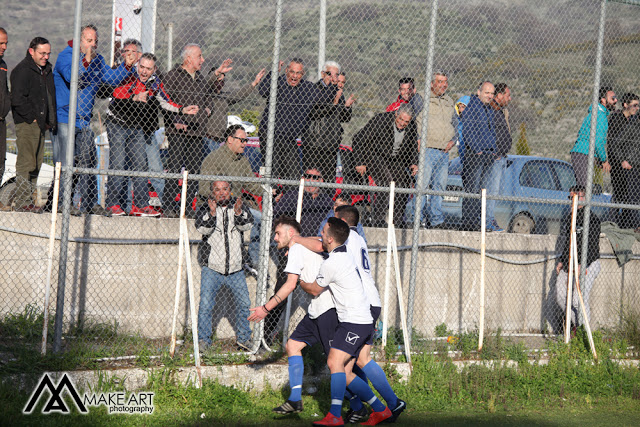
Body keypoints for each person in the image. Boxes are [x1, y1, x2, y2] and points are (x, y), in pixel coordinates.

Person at [292, 205, 406, 423]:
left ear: (340, 221)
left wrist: (296, 239)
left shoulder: (345, 240)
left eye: (332, 216)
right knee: (352, 362)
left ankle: (381, 405)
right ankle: (378, 406)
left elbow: (319, 245)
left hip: (361, 306)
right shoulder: (358, 238)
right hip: (368, 301)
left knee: (349, 362)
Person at [247, 217, 332, 417]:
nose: (275, 238)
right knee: (293, 346)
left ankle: (376, 404)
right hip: (317, 309)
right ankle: (295, 400)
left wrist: (265, 309)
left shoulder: (296, 248)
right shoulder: (302, 245)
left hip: (328, 309)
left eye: (278, 233)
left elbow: (289, 285)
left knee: (341, 363)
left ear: (290, 234)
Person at [51, 24, 134, 215]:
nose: (93, 45)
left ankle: (90, 203)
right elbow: (74, 77)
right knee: (67, 162)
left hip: (84, 120)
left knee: (88, 162)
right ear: (80, 40)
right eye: (89, 41)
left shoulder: (97, 60)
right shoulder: (67, 55)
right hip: (66, 118)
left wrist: (127, 66)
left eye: (95, 41)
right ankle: (63, 202)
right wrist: (86, 62)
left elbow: (112, 79)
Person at [105, 51, 198, 217]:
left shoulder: (155, 83)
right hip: (117, 123)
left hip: (137, 127)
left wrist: (182, 109)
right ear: (137, 65)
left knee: (140, 165)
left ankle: (141, 205)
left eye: (148, 68)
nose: (144, 72)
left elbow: (164, 100)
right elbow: (116, 93)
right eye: (141, 67)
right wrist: (134, 97)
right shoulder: (128, 76)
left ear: (154, 69)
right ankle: (112, 204)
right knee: (118, 164)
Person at [264, 167, 333, 341]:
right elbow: (278, 221)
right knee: (283, 288)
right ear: (303, 178)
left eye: (316, 178)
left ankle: (319, 337)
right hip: (293, 250)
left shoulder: (326, 201)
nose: (312, 181)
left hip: (316, 254)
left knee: (322, 292)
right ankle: (265, 333)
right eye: (308, 176)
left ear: (322, 181)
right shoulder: (292, 196)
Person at [196, 180, 254, 351]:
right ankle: (203, 341)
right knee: (206, 304)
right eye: (217, 190)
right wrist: (213, 214)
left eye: (225, 189)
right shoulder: (204, 208)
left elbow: (247, 225)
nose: (221, 193)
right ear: (212, 193)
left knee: (244, 303)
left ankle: (244, 338)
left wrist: (237, 213)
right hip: (212, 268)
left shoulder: (239, 206)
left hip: (236, 269)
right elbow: (202, 229)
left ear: (230, 190)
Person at [199, 124, 263, 269]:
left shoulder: (243, 161)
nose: (245, 144)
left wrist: (268, 191)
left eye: (246, 141)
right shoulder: (214, 159)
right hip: (217, 206)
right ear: (230, 139)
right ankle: (249, 260)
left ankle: (254, 261)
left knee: (261, 218)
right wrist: (223, 198)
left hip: (237, 206)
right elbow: (203, 189)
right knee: (256, 218)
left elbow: (251, 185)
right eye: (242, 140)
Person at [161, 43, 214, 218]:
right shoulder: (173, 76)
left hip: (197, 132)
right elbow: (164, 101)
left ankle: (188, 206)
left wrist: (208, 109)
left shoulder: (200, 78)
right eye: (200, 56)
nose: (202, 60)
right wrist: (175, 120)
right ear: (188, 58)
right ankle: (169, 206)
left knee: (193, 171)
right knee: (175, 167)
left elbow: (209, 100)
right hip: (178, 132)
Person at [257, 58, 332, 180]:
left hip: (289, 139)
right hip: (270, 135)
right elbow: (263, 91)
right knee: (272, 174)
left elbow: (323, 99)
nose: (294, 76)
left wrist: (332, 85)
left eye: (298, 73)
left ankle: (289, 197)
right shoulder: (278, 82)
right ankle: (270, 196)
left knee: (294, 176)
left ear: (302, 74)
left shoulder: (307, 88)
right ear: (286, 71)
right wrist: (273, 73)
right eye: (292, 72)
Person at [352, 103, 419, 227]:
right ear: (396, 115)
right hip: (375, 156)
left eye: (406, 121)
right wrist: (359, 162)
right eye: (400, 119)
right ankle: (378, 219)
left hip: (395, 159)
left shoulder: (412, 126)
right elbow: (358, 138)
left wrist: (414, 163)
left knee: (404, 182)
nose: (402, 123)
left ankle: (397, 220)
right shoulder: (381, 120)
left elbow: (413, 147)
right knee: (386, 181)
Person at [10, 37, 56, 213]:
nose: (46, 56)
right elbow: (17, 99)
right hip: (27, 123)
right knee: (26, 163)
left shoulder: (46, 70)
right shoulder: (22, 71)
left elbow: (49, 96)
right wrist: (33, 118)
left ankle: (30, 200)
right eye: (42, 53)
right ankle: (23, 201)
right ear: (32, 51)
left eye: (48, 53)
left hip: (41, 123)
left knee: (36, 164)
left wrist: (48, 121)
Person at [406, 70, 455, 229]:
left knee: (439, 187)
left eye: (445, 81)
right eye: (440, 81)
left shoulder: (448, 101)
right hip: (426, 150)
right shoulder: (421, 98)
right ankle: (414, 218)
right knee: (422, 186)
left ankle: (436, 220)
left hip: (444, 152)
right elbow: (409, 120)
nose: (444, 85)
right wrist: (416, 140)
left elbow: (456, 123)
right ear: (432, 83)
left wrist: (453, 140)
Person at [554, 185, 601, 330]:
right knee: (560, 295)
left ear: (582, 197)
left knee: (577, 300)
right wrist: (562, 260)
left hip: (589, 262)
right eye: (570, 197)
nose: (571, 200)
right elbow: (569, 242)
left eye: (574, 197)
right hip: (570, 261)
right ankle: (578, 325)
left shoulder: (592, 218)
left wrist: (583, 265)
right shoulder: (570, 217)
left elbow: (592, 248)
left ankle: (584, 331)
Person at [302, 61, 355, 181]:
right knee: (311, 180)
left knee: (328, 182)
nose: (333, 78)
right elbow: (313, 113)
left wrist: (346, 107)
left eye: (336, 75)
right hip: (314, 143)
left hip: (331, 144)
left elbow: (344, 118)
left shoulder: (338, 93)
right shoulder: (314, 89)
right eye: (329, 74)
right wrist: (333, 104)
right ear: (322, 74)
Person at [204, 59, 265, 155]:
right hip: (207, 139)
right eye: (217, 80)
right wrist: (217, 72)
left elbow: (239, 94)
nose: (220, 83)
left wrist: (253, 84)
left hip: (220, 140)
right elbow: (205, 83)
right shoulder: (204, 94)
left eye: (222, 81)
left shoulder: (224, 97)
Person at [461, 81, 496, 230]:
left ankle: (476, 222)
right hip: (476, 155)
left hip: (488, 155)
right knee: (472, 189)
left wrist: (493, 150)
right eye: (487, 92)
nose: (490, 96)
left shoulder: (489, 109)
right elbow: (467, 130)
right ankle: (469, 223)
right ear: (479, 92)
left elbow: (491, 132)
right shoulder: (472, 108)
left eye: (492, 93)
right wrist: (477, 150)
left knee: (482, 190)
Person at [570, 86, 616, 187]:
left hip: (583, 154)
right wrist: (604, 160)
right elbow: (598, 142)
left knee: (584, 187)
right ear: (603, 100)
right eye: (612, 98)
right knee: (584, 188)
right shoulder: (600, 116)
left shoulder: (597, 114)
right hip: (583, 154)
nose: (616, 100)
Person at [606, 92, 639, 227]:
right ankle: (612, 223)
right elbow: (613, 143)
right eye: (634, 105)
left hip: (627, 165)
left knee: (627, 196)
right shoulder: (617, 119)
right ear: (625, 105)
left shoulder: (631, 121)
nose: (637, 108)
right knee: (619, 194)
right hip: (618, 163)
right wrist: (619, 160)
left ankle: (624, 225)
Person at [484, 83, 513, 233]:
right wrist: (493, 153)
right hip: (494, 159)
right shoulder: (490, 111)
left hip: (501, 157)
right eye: (507, 95)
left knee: (495, 192)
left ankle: (489, 219)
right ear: (499, 95)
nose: (509, 98)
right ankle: (487, 221)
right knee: (491, 191)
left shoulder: (501, 111)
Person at [617, 111, 640, 231]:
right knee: (634, 198)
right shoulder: (632, 128)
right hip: (633, 168)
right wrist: (623, 160)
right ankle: (636, 225)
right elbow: (617, 143)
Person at [0, 27, 10, 209]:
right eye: (1, 43)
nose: (4, 46)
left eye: (6, 43)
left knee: (1, 159)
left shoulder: (3, 65)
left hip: (1, 120)